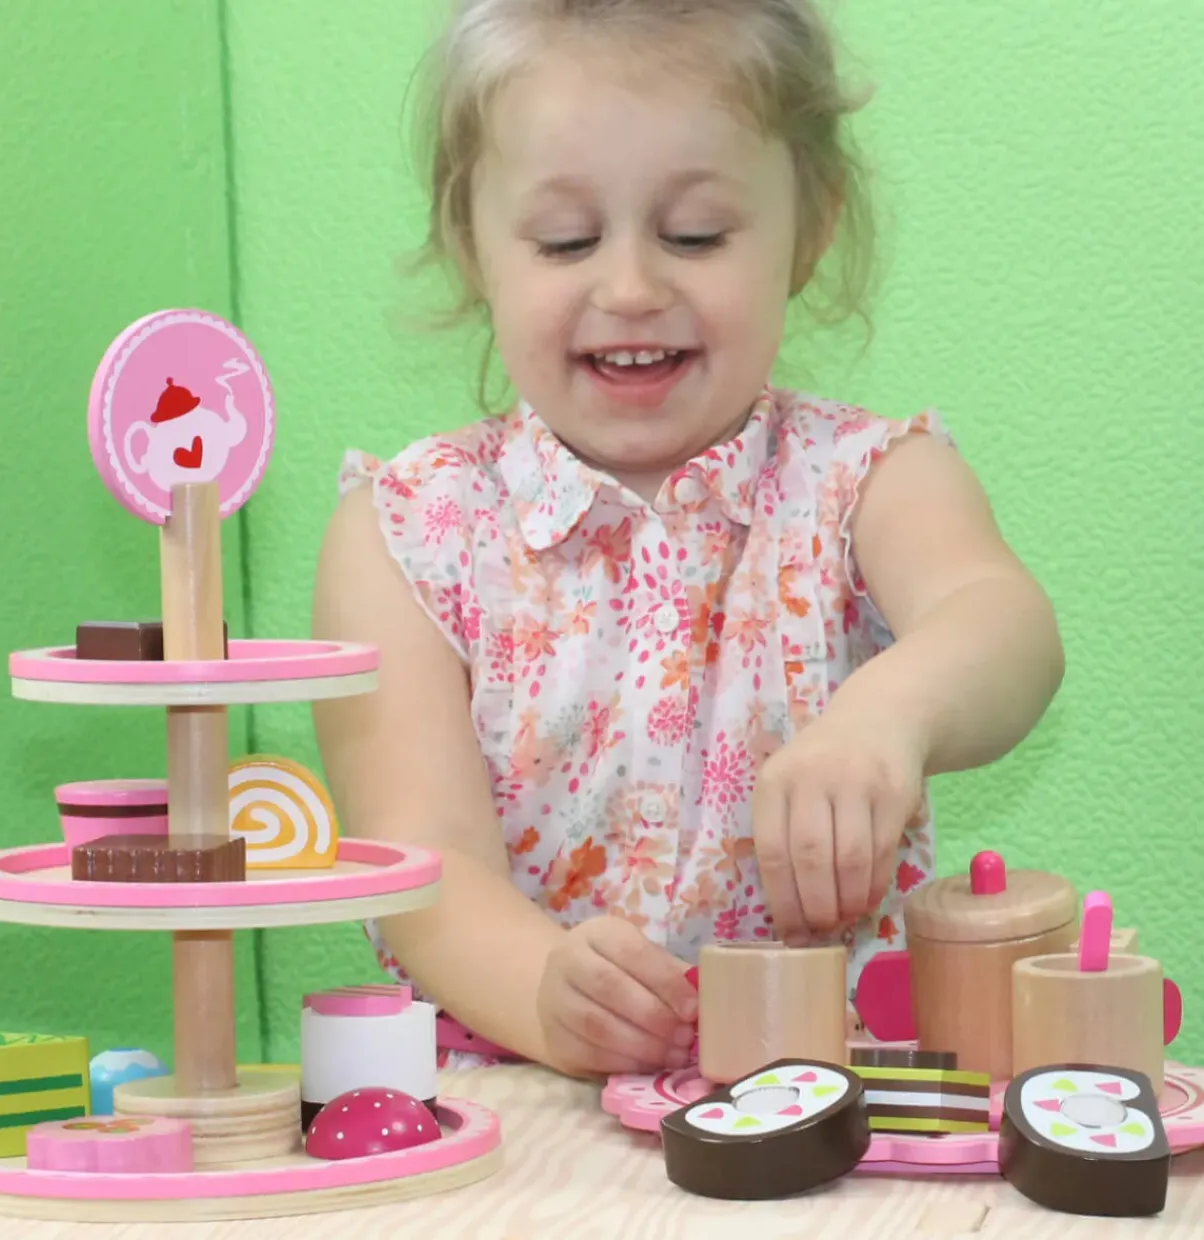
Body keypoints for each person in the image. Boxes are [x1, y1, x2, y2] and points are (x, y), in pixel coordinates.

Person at [311, 0, 1064, 1080]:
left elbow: (1008, 628)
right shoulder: (405, 537)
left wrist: (886, 715)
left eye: (696, 234)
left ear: (809, 229)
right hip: (525, 1126)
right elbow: (417, 862)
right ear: (470, 241)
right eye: (565, 240)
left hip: (833, 1107)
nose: (628, 288)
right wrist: (541, 988)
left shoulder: (869, 485)